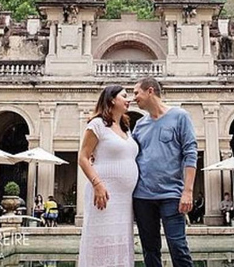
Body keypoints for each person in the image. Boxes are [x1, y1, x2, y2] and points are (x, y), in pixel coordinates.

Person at [133, 77, 197, 267]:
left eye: (137, 93)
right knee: (150, 250)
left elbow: (190, 153)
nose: (133, 97)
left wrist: (188, 191)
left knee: (178, 247)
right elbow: (129, 154)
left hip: (172, 195)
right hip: (143, 197)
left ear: (150, 91)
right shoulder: (139, 125)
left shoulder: (180, 116)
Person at [77, 84, 138, 265]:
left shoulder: (126, 128)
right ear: (112, 99)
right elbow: (83, 157)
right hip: (104, 192)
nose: (129, 99)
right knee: (102, 236)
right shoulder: (97, 124)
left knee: (120, 238)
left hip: (125, 198)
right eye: (124, 96)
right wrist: (98, 184)